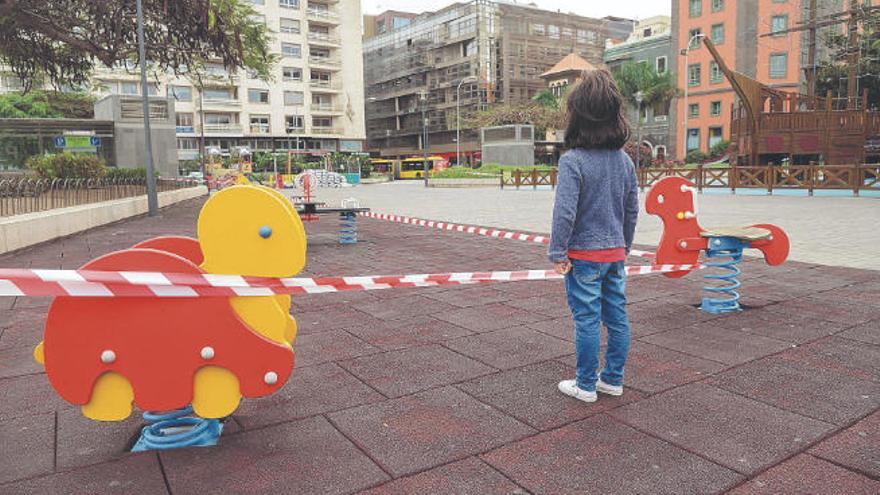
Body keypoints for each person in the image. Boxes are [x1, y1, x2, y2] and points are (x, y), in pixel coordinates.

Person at [548, 69, 639, 403]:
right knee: (617, 317)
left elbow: (565, 212)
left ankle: (585, 384)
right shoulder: (624, 162)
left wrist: (558, 252)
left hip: (583, 256)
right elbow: (632, 209)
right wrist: (624, 245)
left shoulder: (573, 161)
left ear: (577, 117)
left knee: (586, 319)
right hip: (615, 253)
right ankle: (612, 379)